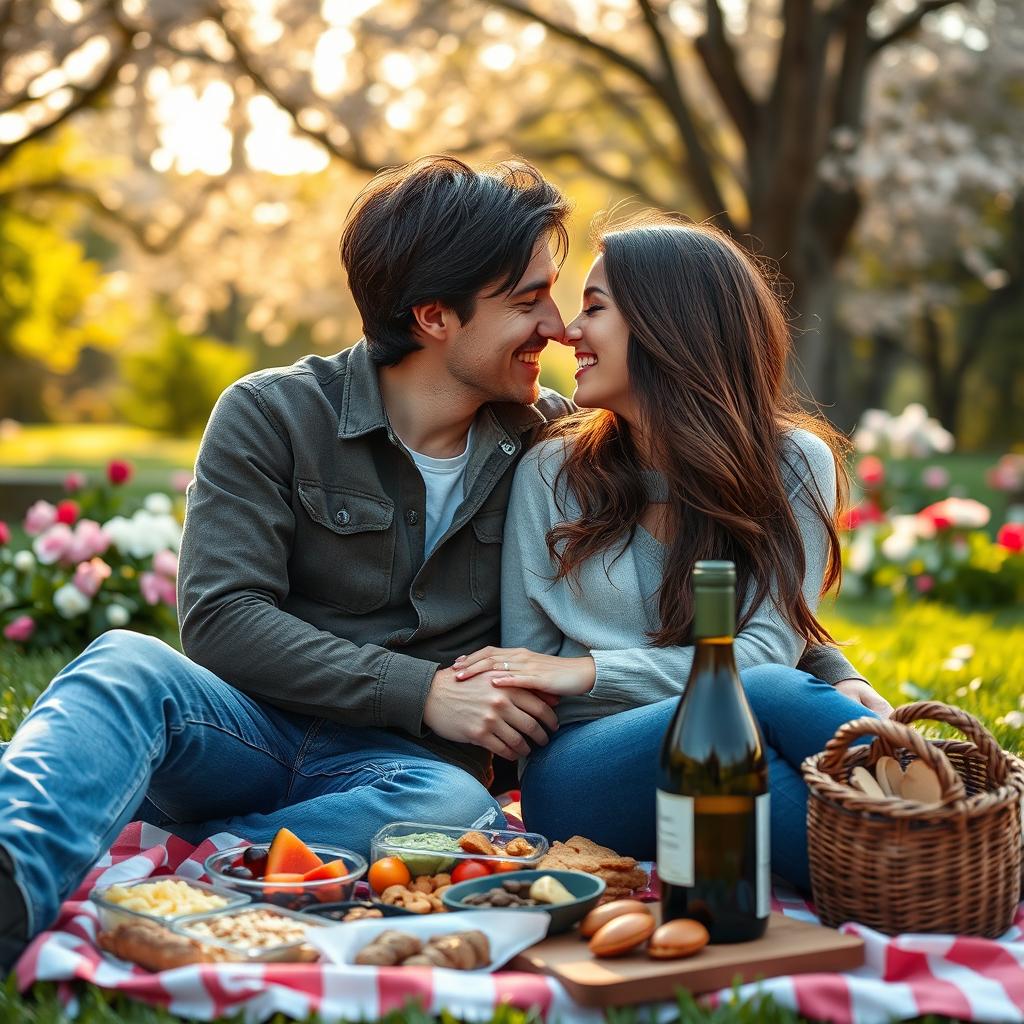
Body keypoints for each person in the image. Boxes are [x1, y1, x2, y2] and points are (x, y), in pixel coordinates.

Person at [0, 156, 580, 971]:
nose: (558, 326)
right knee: (124, 665)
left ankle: (191, 862)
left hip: (405, 774)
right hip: (242, 728)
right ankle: (14, 882)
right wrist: (424, 692)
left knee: (456, 807)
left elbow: (686, 534)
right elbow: (221, 619)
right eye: (528, 301)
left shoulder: (552, 445)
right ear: (434, 315)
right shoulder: (271, 413)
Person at [449, 217, 893, 892]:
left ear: (669, 325)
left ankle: (922, 867)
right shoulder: (550, 473)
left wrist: (588, 671)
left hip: (735, 738)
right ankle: (951, 822)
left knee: (759, 763)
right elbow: (530, 675)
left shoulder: (794, 465)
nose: (569, 331)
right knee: (764, 697)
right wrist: (571, 683)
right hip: (585, 773)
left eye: (595, 308)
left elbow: (770, 647)